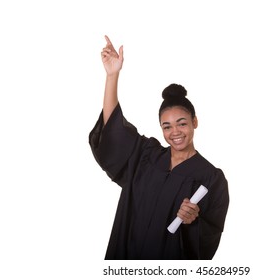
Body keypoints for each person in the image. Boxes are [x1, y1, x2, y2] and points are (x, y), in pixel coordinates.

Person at [89, 35, 229, 260]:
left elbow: (210, 238)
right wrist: (112, 76)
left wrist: (193, 221)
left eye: (182, 123)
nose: (175, 132)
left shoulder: (211, 179)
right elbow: (113, 130)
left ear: (195, 122)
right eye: (167, 126)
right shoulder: (146, 156)